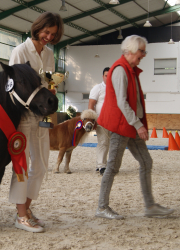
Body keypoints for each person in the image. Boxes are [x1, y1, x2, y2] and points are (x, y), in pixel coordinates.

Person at [95, 35, 174, 220]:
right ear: (130, 50)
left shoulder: (130, 69)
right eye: (142, 51)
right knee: (113, 167)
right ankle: (102, 207)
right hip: (121, 126)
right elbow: (122, 102)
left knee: (146, 162)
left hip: (131, 125)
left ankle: (150, 206)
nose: (144, 54)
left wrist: (138, 124)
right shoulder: (121, 70)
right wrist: (139, 125)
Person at [8, 12, 64, 233]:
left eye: (53, 34)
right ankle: (21, 216)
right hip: (22, 116)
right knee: (21, 166)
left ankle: (25, 210)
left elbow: (47, 82)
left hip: (41, 116)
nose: (48, 36)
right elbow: (11, 85)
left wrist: (51, 90)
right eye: (46, 31)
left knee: (40, 167)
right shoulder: (20, 52)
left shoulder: (49, 55)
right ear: (38, 28)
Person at [88, 67, 110, 175]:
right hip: (101, 120)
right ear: (103, 76)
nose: (108, 77)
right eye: (106, 75)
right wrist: (93, 120)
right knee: (103, 142)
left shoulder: (116, 88)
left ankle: (100, 164)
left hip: (114, 121)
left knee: (111, 143)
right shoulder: (98, 88)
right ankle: (102, 166)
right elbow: (91, 104)